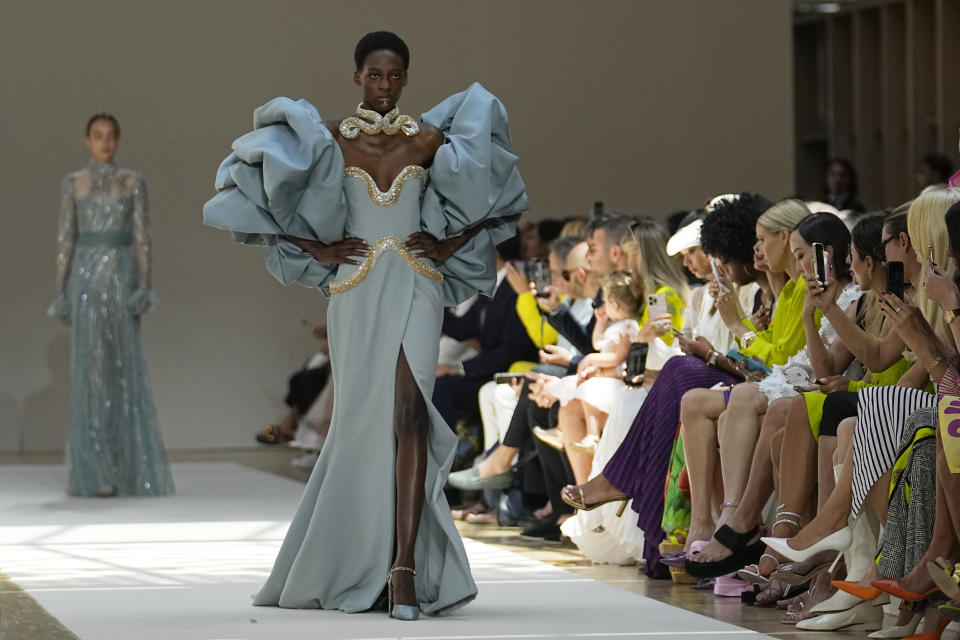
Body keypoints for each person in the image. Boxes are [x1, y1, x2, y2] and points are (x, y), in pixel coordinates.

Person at [203, 31, 527, 619]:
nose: (384, 86)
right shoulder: (324, 138)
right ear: (358, 77)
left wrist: (451, 240)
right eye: (375, 76)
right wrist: (316, 249)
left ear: (406, 77)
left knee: (410, 415)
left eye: (395, 76)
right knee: (360, 424)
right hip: (353, 291)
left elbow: (501, 201)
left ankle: (403, 569)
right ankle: (358, 561)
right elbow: (250, 190)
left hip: (417, 285)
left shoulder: (429, 139)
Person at [48, 113, 173, 498]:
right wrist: (62, 291)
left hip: (120, 277)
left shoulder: (134, 182)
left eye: (111, 136)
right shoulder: (73, 184)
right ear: (87, 140)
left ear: (118, 140)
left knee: (122, 368)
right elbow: (66, 239)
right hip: (86, 276)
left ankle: (125, 468)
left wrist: (145, 285)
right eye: (98, 136)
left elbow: (143, 237)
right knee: (93, 370)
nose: (105, 142)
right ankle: (94, 470)